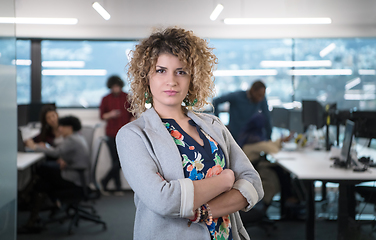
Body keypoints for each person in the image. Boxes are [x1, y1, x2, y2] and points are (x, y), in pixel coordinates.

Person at [116, 27, 263, 240]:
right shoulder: (134, 135)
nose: (172, 81)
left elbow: (253, 182)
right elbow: (164, 200)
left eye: (181, 71)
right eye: (161, 70)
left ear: (192, 78)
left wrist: (205, 212)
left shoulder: (213, 125)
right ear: (145, 77)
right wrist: (225, 180)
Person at [19, 116, 90, 233]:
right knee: (42, 179)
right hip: (78, 175)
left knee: (42, 172)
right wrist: (64, 159)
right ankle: (29, 205)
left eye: (62, 127)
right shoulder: (77, 137)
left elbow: (56, 152)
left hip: (75, 179)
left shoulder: (71, 140)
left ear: (69, 128)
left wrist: (34, 146)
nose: (60, 129)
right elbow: (64, 153)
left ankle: (24, 198)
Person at [99, 75, 133, 192]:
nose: (116, 89)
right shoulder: (106, 98)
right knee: (116, 161)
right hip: (111, 133)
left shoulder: (127, 97)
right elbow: (102, 116)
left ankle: (106, 181)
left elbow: (133, 115)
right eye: (114, 87)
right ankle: (117, 187)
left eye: (117, 86)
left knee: (119, 161)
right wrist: (111, 114)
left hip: (124, 133)